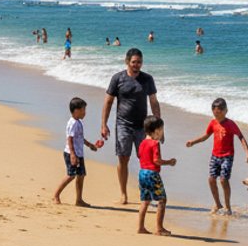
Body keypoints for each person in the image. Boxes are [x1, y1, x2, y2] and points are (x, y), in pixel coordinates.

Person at [99, 48, 161, 204]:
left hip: (143, 127)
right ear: (127, 62)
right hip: (123, 125)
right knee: (123, 158)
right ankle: (123, 194)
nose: (136, 65)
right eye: (134, 62)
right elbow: (108, 102)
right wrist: (104, 124)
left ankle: (147, 193)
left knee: (147, 160)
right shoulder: (117, 78)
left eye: (139, 62)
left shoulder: (147, 79)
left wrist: (158, 127)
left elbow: (154, 102)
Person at [186, 97, 248, 215]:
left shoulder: (230, 124)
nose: (216, 115)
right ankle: (218, 204)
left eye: (219, 112)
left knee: (223, 180)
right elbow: (206, 136)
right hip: (215, 156)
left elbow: (241, 137)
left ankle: (228, 207)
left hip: (227, 156)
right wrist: (193, 142)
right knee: (211, 179)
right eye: (214, 113)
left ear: (226, 111)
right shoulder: (213, 123)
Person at [52, 97, 101, 206]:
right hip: (71, 153)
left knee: (81, 175)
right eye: (83, 110)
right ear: (76, 110)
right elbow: (70, 139)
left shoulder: (78, 122)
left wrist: (90, 145)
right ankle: (56, 195)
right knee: (71, 175)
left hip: (79, 153)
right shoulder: (73, 123)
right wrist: (73, 155)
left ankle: (79, 200)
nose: (85, 113)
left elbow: (80, 138)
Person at [136, 116, 177, 235]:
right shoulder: (154, 143)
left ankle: (140, 227)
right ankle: (159, 228)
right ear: (157, 131)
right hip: (152, 174)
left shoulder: (142, 143)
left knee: (145, 201)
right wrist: (169, 162)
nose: (162, 133)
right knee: (162, 200)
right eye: (162, 130)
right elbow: (156, 160)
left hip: (142, 173)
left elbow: (140, 155)